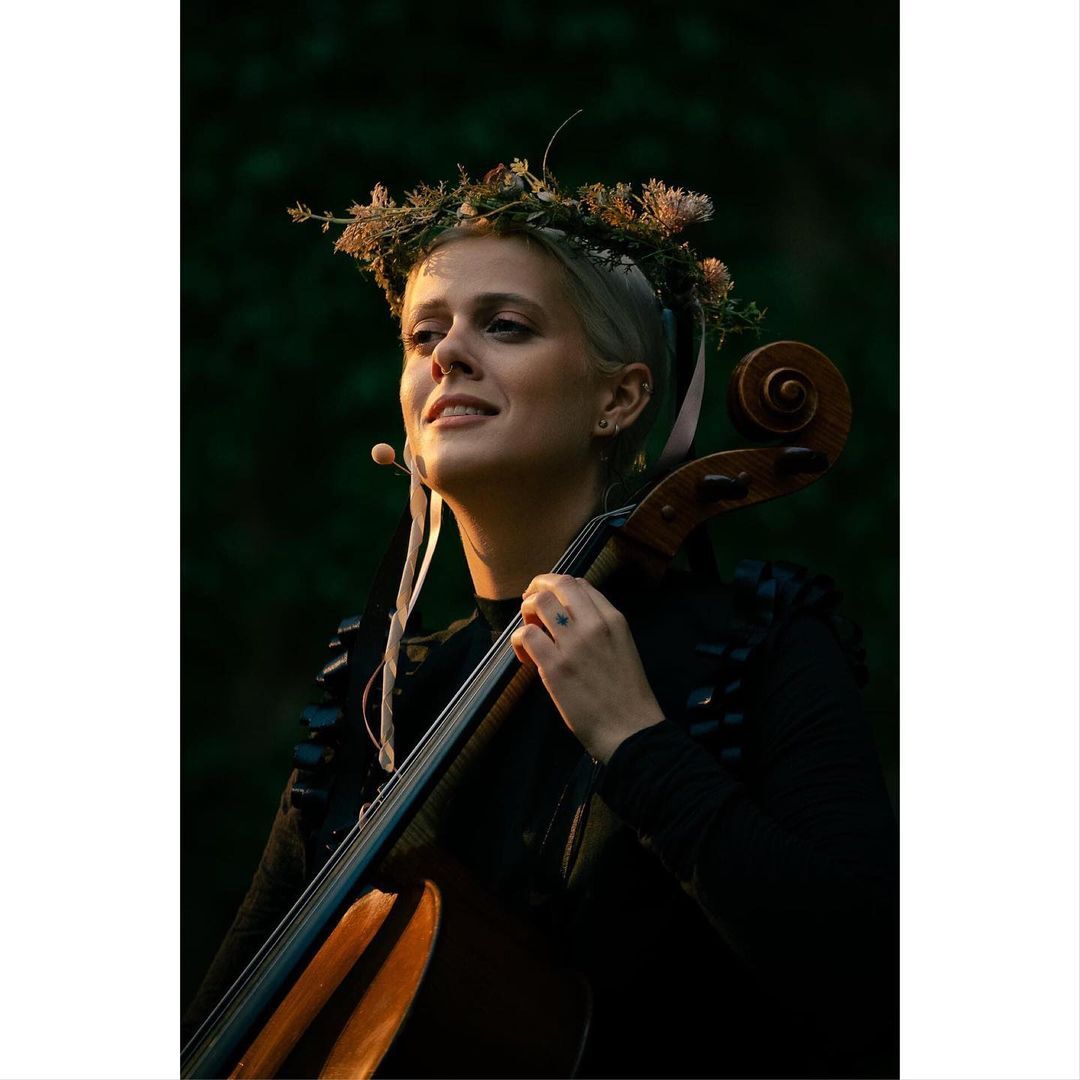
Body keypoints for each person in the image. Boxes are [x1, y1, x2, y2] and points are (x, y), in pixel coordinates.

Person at [183, 161, 898, 1077]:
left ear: (619, 398)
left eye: (506, 325)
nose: (446, 355)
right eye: (423, 334)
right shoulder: (378, 703)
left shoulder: (754, 649)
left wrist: (639, 746)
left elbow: (870, 980)